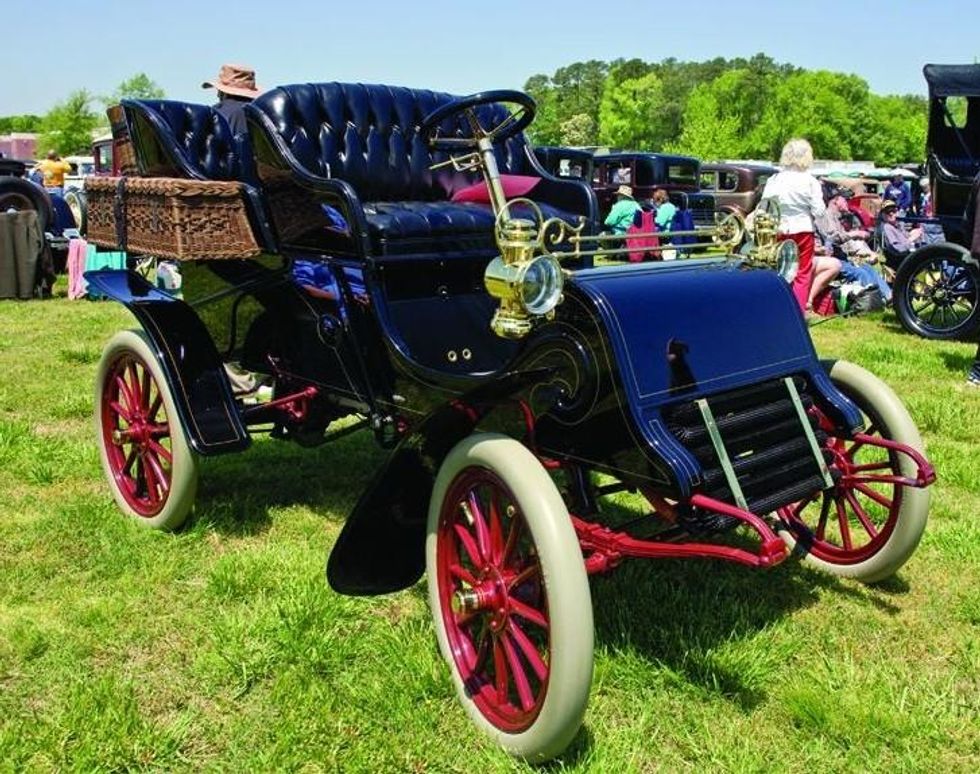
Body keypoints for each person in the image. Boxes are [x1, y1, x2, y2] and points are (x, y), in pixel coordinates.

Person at [756, 138, 826, 312]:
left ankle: (777, 310)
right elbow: (819, 211)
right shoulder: (810, 181)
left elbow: (764, 206)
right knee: (802, 274)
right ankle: (797, 313)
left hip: (779, 229)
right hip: (803, 230)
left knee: (778, 272)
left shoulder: (775, 179)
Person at [203, 63, 262, 136]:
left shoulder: (216, 113)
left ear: (224, 92)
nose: (217, 95)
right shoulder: (262, 112)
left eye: (219, 91)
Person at [820, 186, 876, 261]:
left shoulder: (836, 216)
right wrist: (855, 234)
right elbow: (833, 239)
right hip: (836, 259)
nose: (846, 202)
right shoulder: (828, 216)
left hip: (845, 255)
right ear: (836, 200)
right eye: (844, 199)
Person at [879, 199, 923, 270]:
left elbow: (906, 237)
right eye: (887, 212)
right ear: (883, 215)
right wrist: (911, 239)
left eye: (893, 211)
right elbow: (898, 249)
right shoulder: (887, 227)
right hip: (900, 262)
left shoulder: (898, 225)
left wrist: (913, 234)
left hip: (907, 257)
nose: (891, 214)